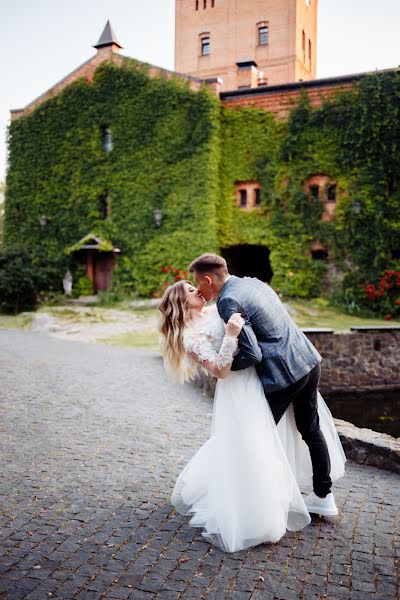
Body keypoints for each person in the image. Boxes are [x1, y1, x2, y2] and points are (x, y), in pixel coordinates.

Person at [158, 278, 345, 553]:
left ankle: (311, 493)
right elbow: (220, 371)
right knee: (253, 445)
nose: (197, 289)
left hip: (262, 380)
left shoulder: (217, 309)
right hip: (239, 390)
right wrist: (232, 335)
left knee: (266, 439)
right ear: (181, 302)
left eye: (195, 284)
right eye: (189, 289)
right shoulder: (191, 337)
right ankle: (260, 513)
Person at [188, 253, 345, 517]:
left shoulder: (228, 300)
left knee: (255, 439)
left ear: (207, 279)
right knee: (311, 429)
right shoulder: (253, 283)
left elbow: (252, 354)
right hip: (307, 360)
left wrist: (227, 368)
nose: (200, 291)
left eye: (197, 283)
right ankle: (323, 496)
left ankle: (261, 507)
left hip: (284, 375)